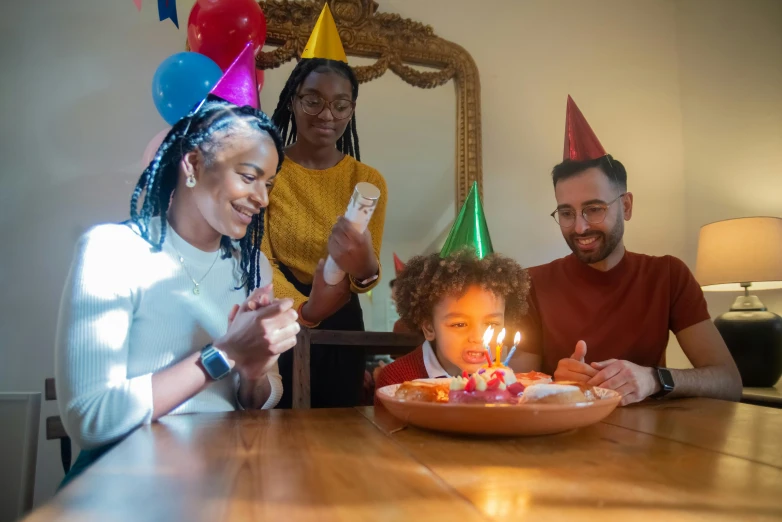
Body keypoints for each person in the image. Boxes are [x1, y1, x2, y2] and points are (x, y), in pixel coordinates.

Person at [55, 52, 299, 486]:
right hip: (125, 483)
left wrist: (254, 371)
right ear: (192, 164)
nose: (262, 198)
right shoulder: (112, 251)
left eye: (269, 183)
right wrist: (223, 354)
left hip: (228, 475)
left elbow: (261, 398)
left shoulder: (251, 266)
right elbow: (88, 419)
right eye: (248, 176)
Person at [524, 95, 741, 406]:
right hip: (560, 441)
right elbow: (512, 389)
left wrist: (653, 378)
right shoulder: (532, 283)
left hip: (651, 444)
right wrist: (553, 383)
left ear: (625, 206)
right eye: (567, 213)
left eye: (594, 209)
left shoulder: (667, 275)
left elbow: (728, 381)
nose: (580, 227)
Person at [263, 4, 387, 408]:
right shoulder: (269, 170)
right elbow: (261, 260)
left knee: (343, 433)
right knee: (278, 430)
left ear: (352, 109)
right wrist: (307, 310)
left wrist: (366, 268)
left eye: (341, 104)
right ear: (293, 101)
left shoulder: (367, 181)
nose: (327, 115)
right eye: (313, 100)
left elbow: (364, 277)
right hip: (281, 317)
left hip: (344, 325)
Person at [375, 184, 537, 403]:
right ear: (429, 326)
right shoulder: (397, 382)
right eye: (459, 324)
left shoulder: (505, 380)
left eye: (491, 324)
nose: (478, 337)